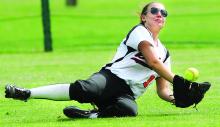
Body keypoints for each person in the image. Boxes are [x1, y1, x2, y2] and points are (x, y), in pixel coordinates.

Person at [5, 2, 183, 118]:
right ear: (144, 17)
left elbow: (163, 90)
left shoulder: (165, 53)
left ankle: (91, 115)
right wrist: (181, 82)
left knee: (129, 110)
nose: (159, 14)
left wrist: (177, 98)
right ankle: (27, 93)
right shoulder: (140, 32)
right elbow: (153, 63)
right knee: (84, 89)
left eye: (164, 12)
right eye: (154, 10)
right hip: (111, 78)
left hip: (126, 93)